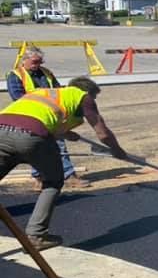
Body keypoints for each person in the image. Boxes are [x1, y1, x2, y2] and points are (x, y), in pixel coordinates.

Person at [0, 77, 127, 250]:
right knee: (53, 181)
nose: (92, 102)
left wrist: (66, 133)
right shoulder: (83, 96)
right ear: (87, 91)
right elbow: (103, 133)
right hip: (30, 136)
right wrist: (117, 150)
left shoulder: (44, 93)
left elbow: (40, 117)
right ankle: (36, 235)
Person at [7, 47, 89, 189]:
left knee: (60, 145)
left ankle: (69, 175)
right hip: (31, 116)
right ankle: (39, 177)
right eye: (35, 61)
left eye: (40, 61)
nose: (38, 64)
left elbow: (59, 91)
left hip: (52, 116)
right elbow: (17, 97)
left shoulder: (47, 73)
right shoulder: (15, 75)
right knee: (36, 147)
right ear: (24, 60)